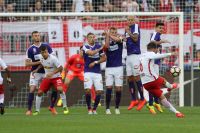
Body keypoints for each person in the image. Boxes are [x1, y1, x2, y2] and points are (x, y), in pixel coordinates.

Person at [139, 42, 184, 118]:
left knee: (163, 98)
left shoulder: (141, 56)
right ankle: (171, 86)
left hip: (145, 84)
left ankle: (177, 112)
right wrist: (171, 54)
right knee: (163, 80)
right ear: (154, 49)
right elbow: (158, 56)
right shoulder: (150, 54)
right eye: (157, 49)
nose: (157, 51)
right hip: (152, 80)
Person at [25, 31, 57, 115]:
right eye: (35, 36)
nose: (37, 37)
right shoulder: (30, 49)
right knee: (32, 89)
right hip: (35, 72)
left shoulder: (46, 46)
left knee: (54, 88)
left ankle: (52, 107)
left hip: (47, 72)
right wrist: (40, 62)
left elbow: (53, 58)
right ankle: (29, 110)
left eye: (38, 35)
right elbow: (27, 64)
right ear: (32, 37)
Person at [32, 45, 68, 115]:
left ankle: (65, 107)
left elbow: (61, 68)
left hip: (56, 77)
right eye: (43, 52)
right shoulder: (41, 57)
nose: (45, 53)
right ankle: (37, 110)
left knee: (60, 89)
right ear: (41, 53)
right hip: (47, 78)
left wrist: (52, 73)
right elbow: (43, 64)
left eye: (46, 52)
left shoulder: (53, 58)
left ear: (47, 51)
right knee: (39, 92)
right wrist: (36, 69)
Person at [147, 22, 170, 114]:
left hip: (156, 63)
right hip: (152, 64)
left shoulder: (158, 36)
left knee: (155, 84)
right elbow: (152, 42)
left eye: (162, 28)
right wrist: (162, 41)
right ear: (155, 28)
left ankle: (156, 103)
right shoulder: (155, 34)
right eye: (159, 28)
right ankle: (151, 103)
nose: (161, 29)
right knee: (153, 84)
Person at [125, 16, 146, 111]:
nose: (130, 21)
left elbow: (135, 38)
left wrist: (128, 32)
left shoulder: (135, 27)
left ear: (134, 21)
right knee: (129, 78)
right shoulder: (127, 30)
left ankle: (142, 99)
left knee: (137, 77)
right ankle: (134, 100)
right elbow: (127, 41)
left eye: (131, 20)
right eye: (128, 20)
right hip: (128, 56)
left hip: (136, 56)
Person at [82, 32, 106, 114]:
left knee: (99, 91)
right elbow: (91, 53)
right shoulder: (85, 47)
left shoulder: (98, 46)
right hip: (87, 71)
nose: (92, 38)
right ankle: (89, 109)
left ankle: (94, 109)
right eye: (90, 37)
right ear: (87, 39)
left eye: (93, 37)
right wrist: (100, 48)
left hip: (97, 72)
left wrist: (96, 62)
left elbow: (104, 58)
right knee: (88, 90)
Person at [104, 27, 123, 115]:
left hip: (119, 67)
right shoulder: (107, 41)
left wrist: (109, 34)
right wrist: (108, 36)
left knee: (118, 88)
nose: (114, 33)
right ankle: (107, 108)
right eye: (112, 32)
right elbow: (107, 46)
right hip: (109, 68)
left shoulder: (120, 38)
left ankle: (117, 108)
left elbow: (118, 40)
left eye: (115, 32)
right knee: (109, 88)